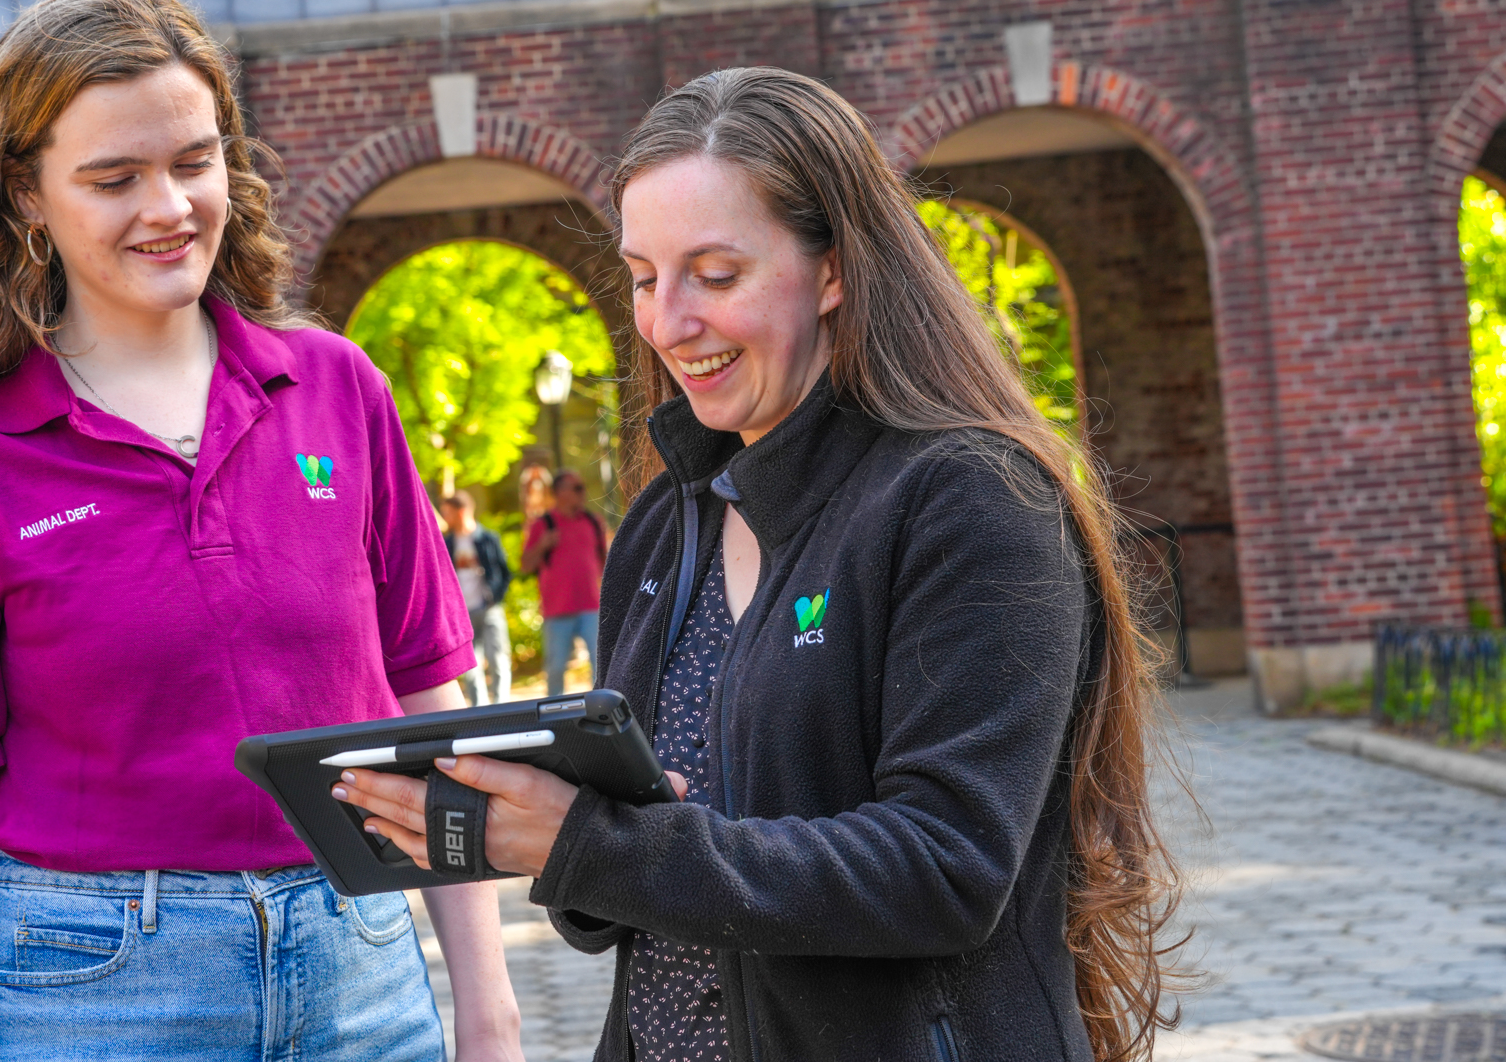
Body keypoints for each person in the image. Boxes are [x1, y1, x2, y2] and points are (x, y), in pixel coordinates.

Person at [337, 67, 1184, 1062]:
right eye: (646, 277)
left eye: (717, 273)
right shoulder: (665, 522)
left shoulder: (971, 497)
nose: (668, 321)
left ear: (834, 268)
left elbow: (946, 866)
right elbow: (630, 890)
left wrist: (592, 840)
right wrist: (535, 817)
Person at [0, 0, 521, 1062]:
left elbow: (431, 706)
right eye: (114, 178)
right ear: (26, 194)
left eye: (194, 161)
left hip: (361, 962)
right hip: (91, 989)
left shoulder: (341, 390)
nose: (168, 207)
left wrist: (490, 1013)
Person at [518, 469, 608, 697]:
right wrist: (543, 545)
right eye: (577, 488)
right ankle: (555, 719)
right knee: (556, 668)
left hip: (591, 606)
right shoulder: (543, 524)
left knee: (602, 667)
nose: (583, 492)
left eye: (582, 487)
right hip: (557, 610)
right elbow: (526, 565)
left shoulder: (593, 521)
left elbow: (607, 561)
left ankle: (601, 711)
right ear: (560, 492)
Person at [441, 491, 513, 706]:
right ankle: (479, 712)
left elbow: (504, 571)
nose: (446, 518)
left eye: (448, 513)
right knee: (471, 668)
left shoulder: (488, 538)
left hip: (489, 608)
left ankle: (502, 709)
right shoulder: (447, 543)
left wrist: (495, 596)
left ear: (461, 512)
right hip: (462, 614)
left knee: (498, 660)